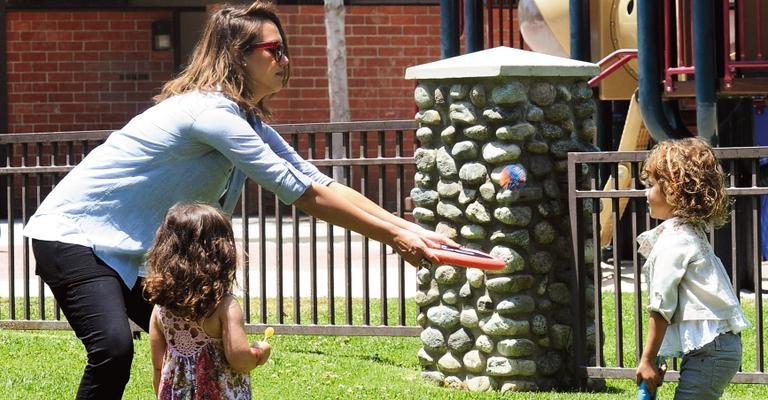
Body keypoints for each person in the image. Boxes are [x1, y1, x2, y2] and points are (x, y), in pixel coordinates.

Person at [22, 1, 455, 398]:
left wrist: (409, 229)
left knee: (205, 337)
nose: (285, 60)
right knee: (114, 349)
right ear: (237, 55)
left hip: (131, 252)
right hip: (73, 237)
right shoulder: (209, 114)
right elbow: (301, 193)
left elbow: (316, 179)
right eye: (275, 50)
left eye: (285, 50)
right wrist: (393, 239)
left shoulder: (242, 117)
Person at [635, 137, 751, 399]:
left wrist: (648, 359)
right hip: (717, 349)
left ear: (674, 190)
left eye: (652, 185)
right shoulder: (687, 232)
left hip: (711, 351)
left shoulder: (675, 240)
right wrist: (662, 354)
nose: (646, 192)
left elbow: (662, 305)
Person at [145, 202, 269, 399]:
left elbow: (159, 367)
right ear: (222, 254)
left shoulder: (161, 309)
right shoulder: (225, 306)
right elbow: (239, 359)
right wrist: (259, 352)